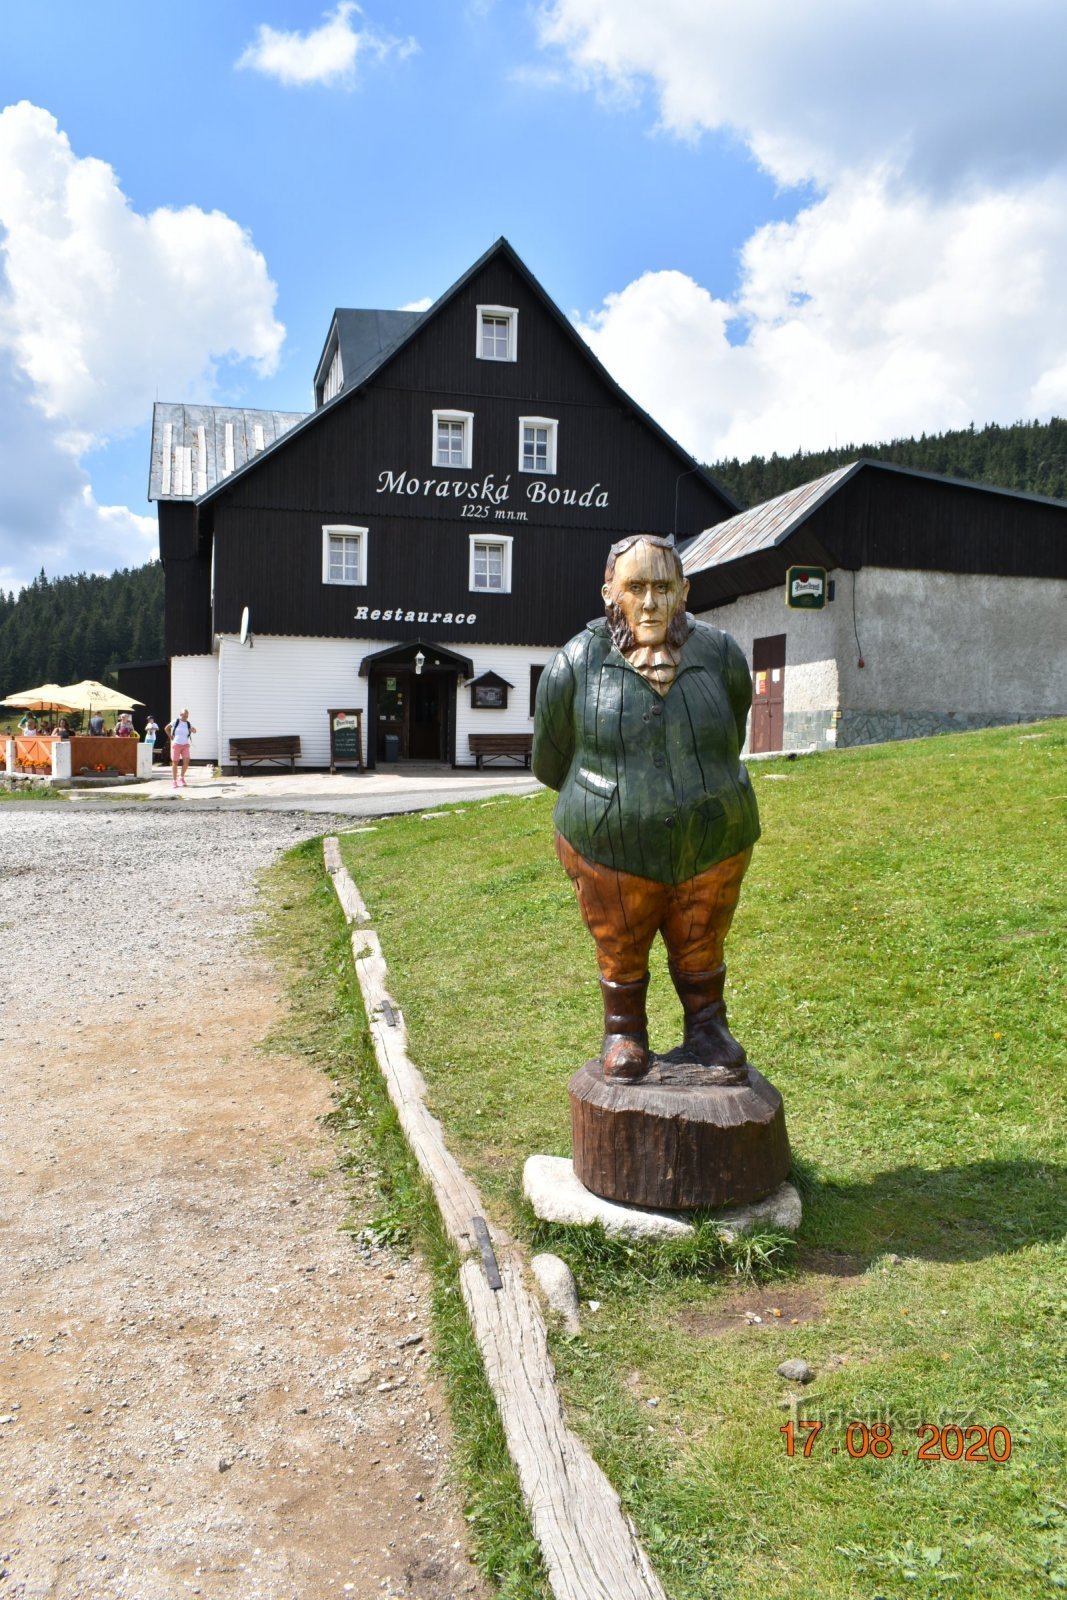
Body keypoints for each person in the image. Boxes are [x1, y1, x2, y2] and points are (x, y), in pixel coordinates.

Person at [533, 533, 760, 1083]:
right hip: (608, 841)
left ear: (684, 591)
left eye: (663, 587)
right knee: (619, 938)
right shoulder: (575, 662)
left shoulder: (722, 653)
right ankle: (624, 1030)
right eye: (636, 587)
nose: (651, 602)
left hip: (713, 840)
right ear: (611, 592)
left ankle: (707, 1026)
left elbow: (733, 731)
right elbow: (550, 759)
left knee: (703, 934)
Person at [166, 708, 196, 787]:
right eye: (184, 715)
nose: (186, 717)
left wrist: (193, 730)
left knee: (186, 762)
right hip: (176, 744)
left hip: (185, 745)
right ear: (180, 715)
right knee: (175, 763)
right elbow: (166, 728)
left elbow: (195, 731)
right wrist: (171, 738)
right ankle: (174, 781)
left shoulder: (188, 723)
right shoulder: (176, 721)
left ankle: (181, 777)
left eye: (187, 716)